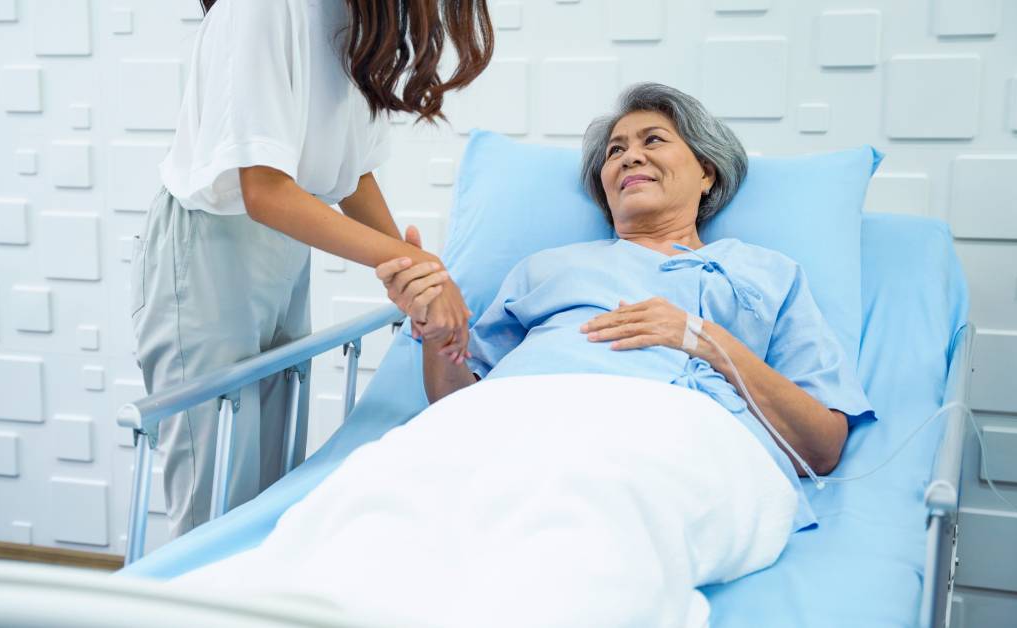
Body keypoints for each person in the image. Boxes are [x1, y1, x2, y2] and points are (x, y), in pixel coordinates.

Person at [171, 83, 877, 626]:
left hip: (666, 429)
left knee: (583, 518)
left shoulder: (766, 273)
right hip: (509, 416)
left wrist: (706, 340)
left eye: (653, 141)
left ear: (707, 175)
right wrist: (436, 333)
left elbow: (821, 447)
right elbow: (458, 399)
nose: (627, 156)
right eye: (614, 151)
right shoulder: (550, 268)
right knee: (381, 501)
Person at [131, 0, 492, 539]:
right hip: (209, 252)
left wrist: (415, 277)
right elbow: (264, 190)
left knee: (267, 500)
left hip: (282, 253)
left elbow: (351, 173)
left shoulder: (357, 18)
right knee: (214, 512)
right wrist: (415, 266)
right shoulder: (268, 8)